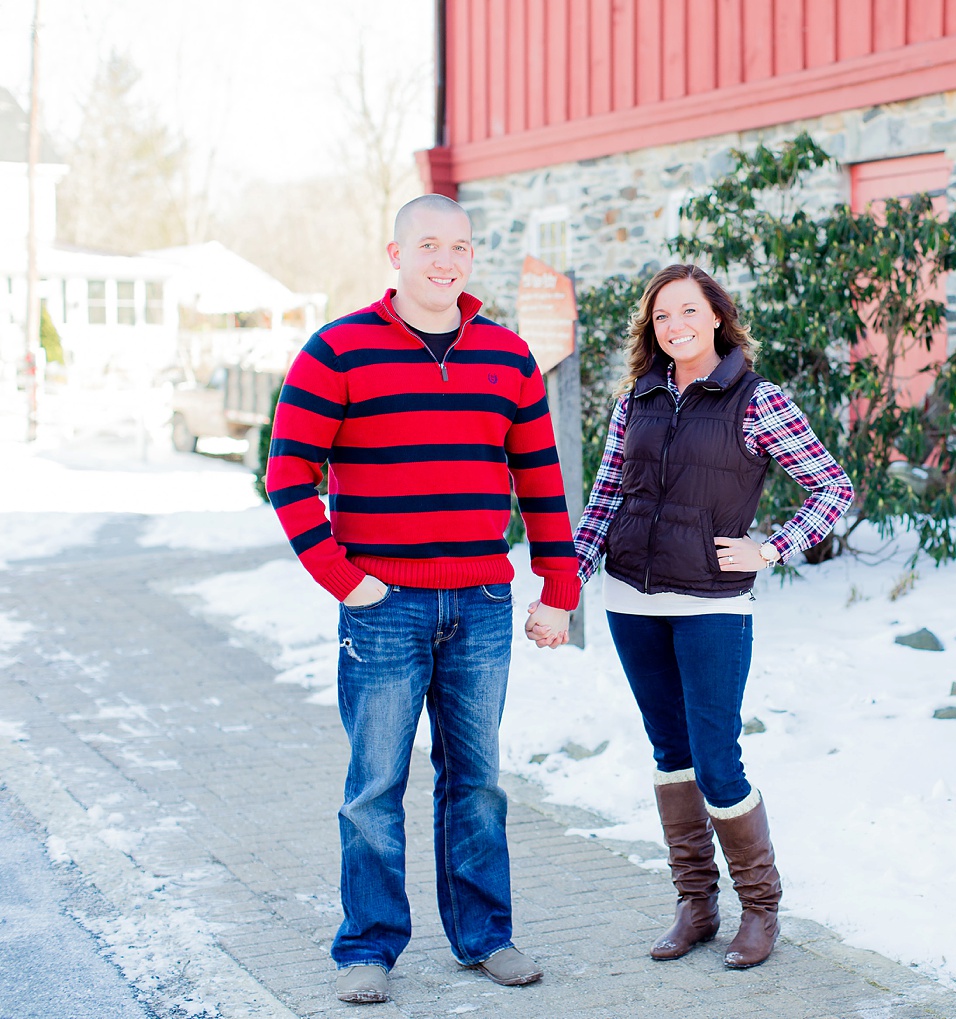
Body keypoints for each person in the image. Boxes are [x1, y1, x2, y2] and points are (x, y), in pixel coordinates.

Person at [266, 194, 578, 1005]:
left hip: (480, 603)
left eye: (461, 246)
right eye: (430, 244)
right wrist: (346, 577)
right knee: (374, 785)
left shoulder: (508, 359)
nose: (447, 259)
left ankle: (486, 936)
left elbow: (542, 485)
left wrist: (560, 586)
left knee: (476, 780)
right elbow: (288, 476)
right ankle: (368, 945)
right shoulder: (337, 350)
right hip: (383, 605)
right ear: (395, 253)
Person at [554, 263, 853, 969]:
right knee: (671, 754)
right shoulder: (638, 397)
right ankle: (696, 904)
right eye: (662, 316)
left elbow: (831, 488)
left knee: (718, 759)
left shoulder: (758, 401)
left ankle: (761, 907)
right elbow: (603, 500)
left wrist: (773, 546)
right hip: (632, 600)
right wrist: (567, 582)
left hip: (711, 605)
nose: (676, 325)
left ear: (716, 315)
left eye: (688, 311)